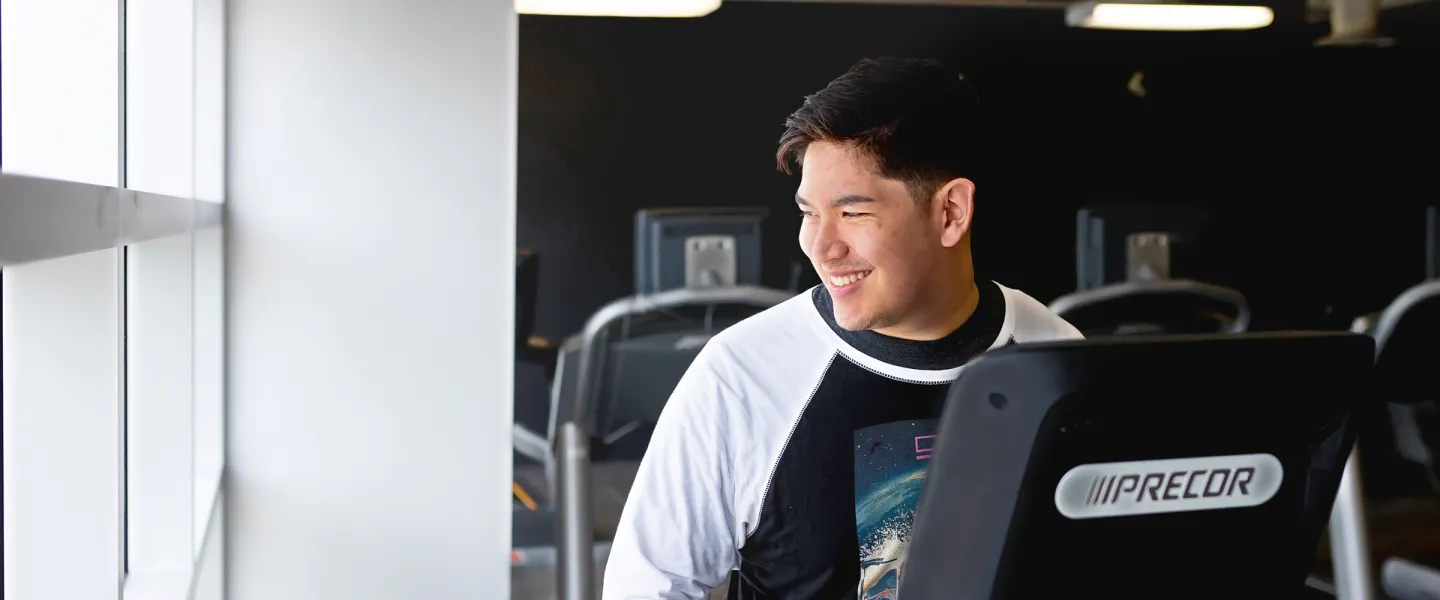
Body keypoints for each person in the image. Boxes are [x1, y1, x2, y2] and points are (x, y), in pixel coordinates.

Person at [602, 57, 1082, 600]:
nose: (821, 248)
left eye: (853, 214)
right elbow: (646, 587)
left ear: (950, 212)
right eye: (809, 213)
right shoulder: (742, 373)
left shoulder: (1058, 359)